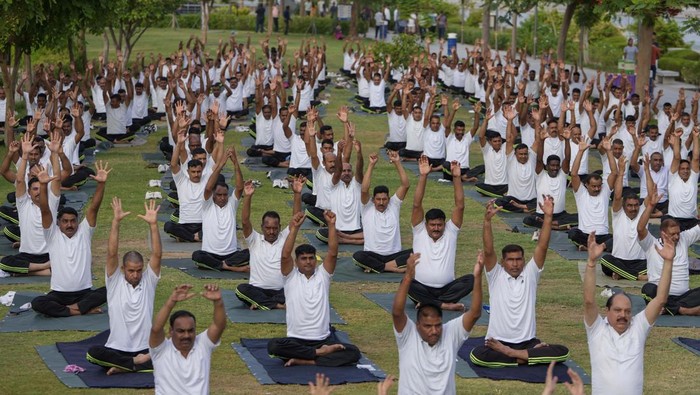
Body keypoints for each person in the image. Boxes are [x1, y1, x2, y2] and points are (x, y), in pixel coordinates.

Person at [471, 197, 570, 368]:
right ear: (503, 262)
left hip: (527, 343)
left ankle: (513, 355)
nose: (515, 264)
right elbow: (488, 250)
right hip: (497, 343)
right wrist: (487, 221)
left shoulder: (530, 274)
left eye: (518, 260)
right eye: (510, 260)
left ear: (524, 261)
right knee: (478, 356)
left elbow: (542, 246)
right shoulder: (495, 275)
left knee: (562, 351)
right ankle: (524, 358)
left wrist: (548, 217)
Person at [267, 210, 362, 367]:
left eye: (311, 258)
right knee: (274, 346)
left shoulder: (322, 275)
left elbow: (332, 253)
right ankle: (318, 356)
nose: (308, 262)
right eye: (303, 259)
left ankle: (307, 360)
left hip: (323, 340)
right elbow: (285, 255)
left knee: (354, 353)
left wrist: (331, 225)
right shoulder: (290, 276)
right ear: (296, 262)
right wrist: (294, 228)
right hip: (297, 341)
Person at [584, 231, 675, 394]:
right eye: (617, 310)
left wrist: (668, 261)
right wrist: (591, 263)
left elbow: (660, 299)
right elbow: (589, 301)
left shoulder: (638, 327)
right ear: (607, 311)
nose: (623, 315)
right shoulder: (596, 330)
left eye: (627, 311)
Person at [86, 198, 161, 374]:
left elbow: (157, 254)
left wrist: (153, 225)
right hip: (118, 349)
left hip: (145, 348)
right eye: (131, 271)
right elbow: (112, 253)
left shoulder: (149, 281)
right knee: (93, 353)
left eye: (138, 270)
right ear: (123, 269)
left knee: (171, 355)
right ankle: (134, 363)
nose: (135, 275)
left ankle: (124, 367)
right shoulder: (114, 281)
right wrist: (116, 222)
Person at [392, 251, 483, 394]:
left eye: (437, 325)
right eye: (428, 326)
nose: (434, 331)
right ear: (417, 325)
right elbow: (397, 313)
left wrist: (477, 277)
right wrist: (408, 276)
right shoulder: (408, 336)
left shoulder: (451, 333)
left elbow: (475, 313)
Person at [31, 161, 111, 317]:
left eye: (73, 221)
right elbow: (45, 211)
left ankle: (73, 309)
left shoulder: (84, 232)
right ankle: (79, 310)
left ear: (77, 221)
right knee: (38, 303)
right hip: (59, 295)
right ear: (59, 223)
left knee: (111, 288)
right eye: (65, 221)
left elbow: (94, 207)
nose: (69, 224)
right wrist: (42, 185)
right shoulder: (52, 235)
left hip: (84, 293)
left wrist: (101, 184)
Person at [408, 156, 473, 311]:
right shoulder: (419, 230)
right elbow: (417, 204)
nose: (436, 228)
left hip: (447, 289)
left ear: (445, 224)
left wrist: (456, 178)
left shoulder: (451, 231)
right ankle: (443, 305)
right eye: (432, 225)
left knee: (471, 280)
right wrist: (423, 176)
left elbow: (460, 206)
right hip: (422, 287)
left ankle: (429, 303)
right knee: (407, 283)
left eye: (439, 225)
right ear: (426, 225)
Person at [235, 176, 305, 310]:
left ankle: (261, 303)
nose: (271, 231)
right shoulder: (254, 240)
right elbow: (245, 221)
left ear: (280, 227)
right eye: (268, 228)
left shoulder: (285, 237)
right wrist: (248, 196)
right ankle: (277, 305)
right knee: (241, 289)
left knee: (297, 288)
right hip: (257, 289)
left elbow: (296, 219)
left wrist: (297, 193)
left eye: (275, 228)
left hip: (281, 291)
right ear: (262, 227)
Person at [0, 132, 61, 276]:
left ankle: (29, 271)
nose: (38, 192)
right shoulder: (23, 203)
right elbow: (20, 180)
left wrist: (54, 153)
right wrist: (24, 155)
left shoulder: (51, 202)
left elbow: (57, 180)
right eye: (34, 189)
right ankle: (45, 269)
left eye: (41, 188)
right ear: (29, 191)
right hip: (28, 256)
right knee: (4, 263)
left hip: (48, 253)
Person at [149, 283, 226, 394]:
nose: (186, 335)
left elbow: (219, 326)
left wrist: (218, 302)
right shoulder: (161, 350)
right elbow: (156, 329)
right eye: (181, 331)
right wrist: (171, 302)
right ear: (171, 331)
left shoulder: (203, 344)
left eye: (190, 331)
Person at [637, 183, 700, 316]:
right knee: (647, 289)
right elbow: (640, 229)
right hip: (659, 295)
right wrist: (650, 206)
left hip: (684, 297)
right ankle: (683, 310)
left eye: (678, 233)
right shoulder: (651, 244)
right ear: (663, 233)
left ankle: (670, 308)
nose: (677, 237)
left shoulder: (684, 238)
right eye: (673, 234)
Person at [191, 142, 250, 272]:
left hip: (231, 254)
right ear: (213, 195)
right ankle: (229, 267)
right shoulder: (207, 204)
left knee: (250, 252)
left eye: (225, 195)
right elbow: (207, 187)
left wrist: (235, 162)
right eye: (219, 195)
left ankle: (220, 264)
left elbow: (240, 187)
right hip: (210, 253)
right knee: (197, 255)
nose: (222, 198)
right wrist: (221, 164)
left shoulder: (231, 204)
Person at [352, 150, 411, 273]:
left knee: (419, 252)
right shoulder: (367, 208)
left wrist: (397, 162)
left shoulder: (394, 205)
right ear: (373, 200)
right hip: (373, 255)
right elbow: (364, 189)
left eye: (384, 199)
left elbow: (405, 185)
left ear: (389, 199)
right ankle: (390, 268)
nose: (381, 202)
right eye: (378, 199)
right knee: (358, 256)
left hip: (394, 255)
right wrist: (371, 165)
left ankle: (379, 266)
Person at [600, 159, 648, 281]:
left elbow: (651, 194)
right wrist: (621, 172)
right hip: (618, 261)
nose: (633, 208)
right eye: (629, 205)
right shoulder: (618, 213)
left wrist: (647, 171)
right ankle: (636, 276)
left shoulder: (643, 212)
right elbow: (617, 196)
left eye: (636, 205)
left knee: (657, 261)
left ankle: (622, 274)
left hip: (640, 262)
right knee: (605, 260)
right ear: (624, 206)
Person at [567, 137, 618, 251]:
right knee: (572, 233)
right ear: (586, 185)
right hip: (585, 234)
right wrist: (581, 151)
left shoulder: (605, 191)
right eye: (594, 186)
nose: (597, 188)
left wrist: (609, 151)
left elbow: (614, 172)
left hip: (602, 236)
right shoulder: (581, 193)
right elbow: (574, 174)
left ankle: (592, 247)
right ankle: (595, 247)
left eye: (599, 186)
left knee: (618, 238)